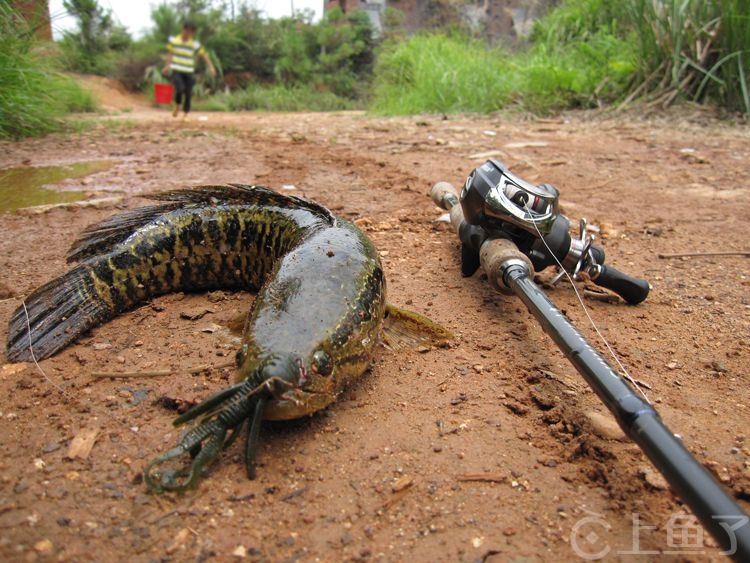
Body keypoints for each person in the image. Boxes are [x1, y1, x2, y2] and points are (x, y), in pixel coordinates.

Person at [162, 21, 216, 119]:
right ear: (183, 29)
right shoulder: (174, 41)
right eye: (187, 31)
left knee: (188, 93)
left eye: (191, 32)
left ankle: (186, 114)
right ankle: (178, 104)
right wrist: (167, 65)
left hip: (189, 71)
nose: (188, 34)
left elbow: (204, 55)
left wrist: (211, 67)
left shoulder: (194, 44)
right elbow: (170, 53)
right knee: (180, 89)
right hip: (177, 70)